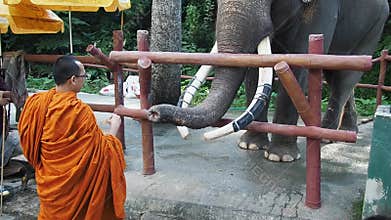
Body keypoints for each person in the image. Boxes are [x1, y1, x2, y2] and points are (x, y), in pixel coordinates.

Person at [18, 55, 126, 219]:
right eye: (84, 76)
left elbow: (28, 144)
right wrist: (114, 127)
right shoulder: (80, 113)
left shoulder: (36, 103)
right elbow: (103, 153)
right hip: (74, 188)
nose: (85, 79)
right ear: (73, 80)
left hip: (50, 184)